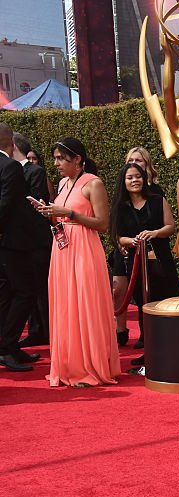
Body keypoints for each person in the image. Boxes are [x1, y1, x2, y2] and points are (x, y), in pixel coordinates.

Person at [34, 137, 119, 387]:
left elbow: (103, 224)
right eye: (55, 158)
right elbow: (63, 218)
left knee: (85, 304)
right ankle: (70, 365)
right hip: (62, 249)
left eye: (61, 158)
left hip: (85, 248)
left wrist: (69, 214)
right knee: (66, 305)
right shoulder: (62, 183)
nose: (56, 163)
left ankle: (89, 367)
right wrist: (50, 214)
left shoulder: (94, 183)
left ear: (78, 159)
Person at [108, 162, 178, 363]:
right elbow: (117, 236)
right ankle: (151, 352)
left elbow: (171, 226)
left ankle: (171, 349)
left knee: (166, 302)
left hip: (161, 262)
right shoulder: (120, 207)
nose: (134, 181)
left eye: (137, 176)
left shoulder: (157, 200)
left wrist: (154, 233)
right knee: (143, 305)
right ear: (124, 181)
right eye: (129, 178)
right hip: (136, 263)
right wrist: (132, 241)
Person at [0, 124, 48, 371]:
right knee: (26, 291)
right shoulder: (9, 168)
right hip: (13, 244)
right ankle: (7, 346)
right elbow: (7, 206)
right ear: (11, 144)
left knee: (7, 293)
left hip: (7, 243)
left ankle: (9, 347)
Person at [113, 147, 165, 347]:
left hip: (149, 252)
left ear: (147, 165)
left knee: (147, 293)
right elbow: (115, 224)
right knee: (119, 290)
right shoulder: (122, 193)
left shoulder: (156, 193)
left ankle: (148, 336)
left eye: (140, 161)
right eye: (131, 160)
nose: (136, 163)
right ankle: (120, 330)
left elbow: (166, 224)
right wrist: (122, 242)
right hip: (125, 247)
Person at [12, 132, 52, 348]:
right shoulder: (14, 170)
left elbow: (37, 201)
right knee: (29, 288)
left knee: (41, 290)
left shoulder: (35, 171)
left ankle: (48, 331)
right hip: (21, 242)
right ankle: (36, 331)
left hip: (37, 241)